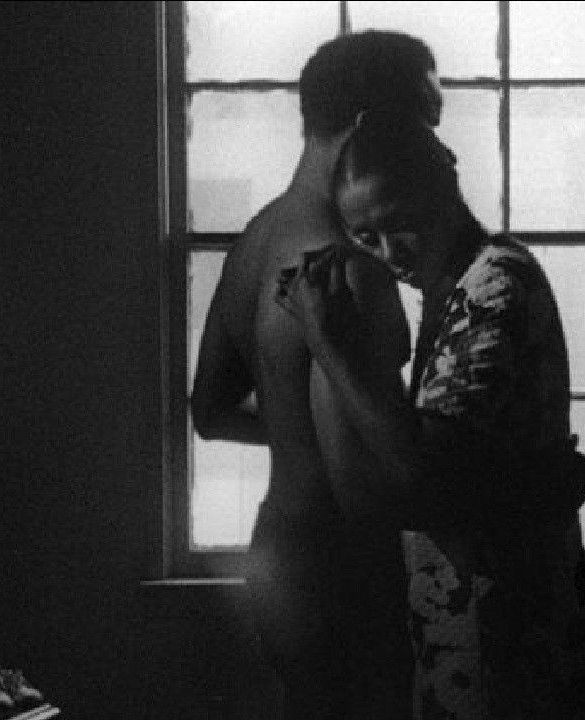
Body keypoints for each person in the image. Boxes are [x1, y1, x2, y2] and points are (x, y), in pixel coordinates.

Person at [275, 111, 585, 720]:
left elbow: (422, 475)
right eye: (365, 237)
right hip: (465, 635)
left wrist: (325, 339)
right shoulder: (446, 294)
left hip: (510, 639)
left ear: (444, 181)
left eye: (401, 223)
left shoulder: (494, 285)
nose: (389, 253)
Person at [190, 31, 443, 720]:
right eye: (422, 125)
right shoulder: (350, 267)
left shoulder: (257, 239)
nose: (431, 148)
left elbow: (210, 413)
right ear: (367, 127)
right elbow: (365, 491)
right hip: (348, 570)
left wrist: (296, 431)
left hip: (279, 555)